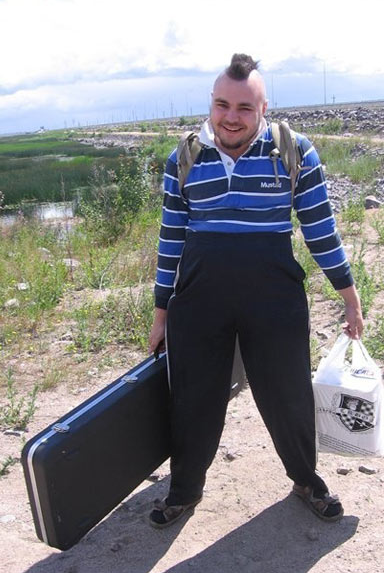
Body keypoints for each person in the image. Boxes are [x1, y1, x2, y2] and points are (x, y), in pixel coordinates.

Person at [148, 53, 363, 528]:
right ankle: (184, 490)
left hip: (273, 296)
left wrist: (349, 297)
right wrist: (161, 313)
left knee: (287, 393)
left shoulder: (294, 152)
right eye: (222, 104)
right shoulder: (184, 158)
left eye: (245, 107)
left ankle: (306, 480)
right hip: (200, 297)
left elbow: (320, 230)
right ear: (211, 102)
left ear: (264, 109)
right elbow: (171, 239)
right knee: (194, 398)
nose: (231, 117)